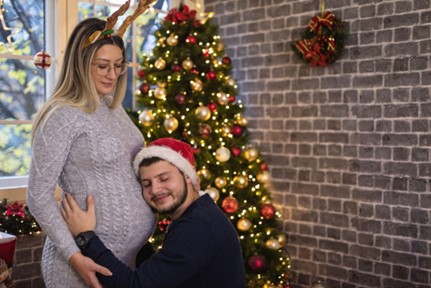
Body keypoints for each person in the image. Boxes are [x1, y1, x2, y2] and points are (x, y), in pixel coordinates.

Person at [26, 2, 156, 287]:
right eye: (102, 65)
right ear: (81, 62)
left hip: (124, 260)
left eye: (118, 66)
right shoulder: (61, 115)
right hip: (79, 265)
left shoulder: (111, 106)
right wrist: (74, 255)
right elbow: (37, 196)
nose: (112, 74)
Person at [61, 137, 246, 288]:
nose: (155, 190)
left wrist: (86, 236)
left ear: (188, 176)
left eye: (164, 178)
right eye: (146, 184)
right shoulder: (198, 212)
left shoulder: (199, 226)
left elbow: (135, 286)